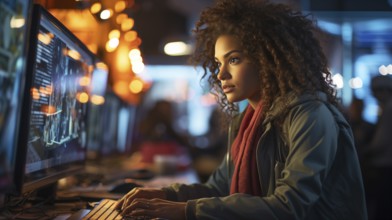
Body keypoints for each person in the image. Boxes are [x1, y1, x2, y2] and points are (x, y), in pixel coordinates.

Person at [115, 0, 368, 219]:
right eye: (217, 63)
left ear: (268, 60)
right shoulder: (246, 123)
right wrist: (164, 194)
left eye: (234, 59)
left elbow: (290, 206)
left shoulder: (311, 116)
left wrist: (184, 210)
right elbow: (219, 187)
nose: (221, 73)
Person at [364, 75, 392, 220]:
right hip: (385, 166)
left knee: (383, 208)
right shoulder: (385, 108)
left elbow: (380, 143)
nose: (375, 96)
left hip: (385, 167)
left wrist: (364, 151)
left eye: (377, 91)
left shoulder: (388, 109)